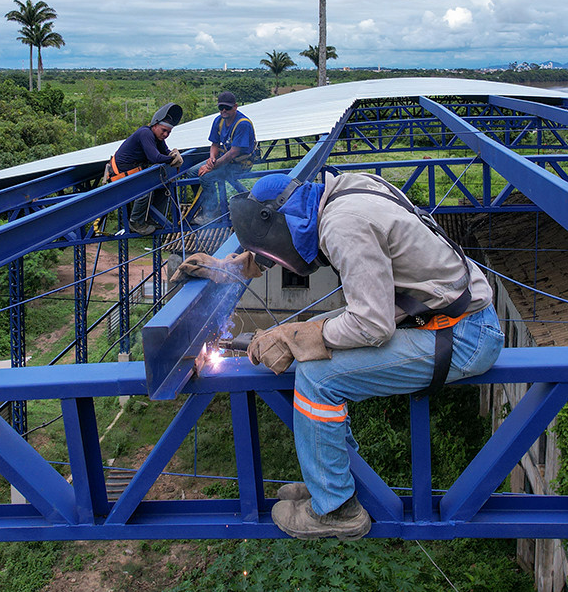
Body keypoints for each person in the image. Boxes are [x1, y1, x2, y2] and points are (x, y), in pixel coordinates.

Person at [228, 171, 504, 540]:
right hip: (438, 311)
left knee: (317, 378)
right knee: (309, 341)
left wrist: (302, 337)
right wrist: (247, 269)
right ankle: (332, 478)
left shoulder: (343, 226)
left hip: (462, 334)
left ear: (279, 220)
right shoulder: (343, 189)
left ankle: (335, 508)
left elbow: (371, 325)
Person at [106, 103, 183, 235]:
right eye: (163, 130)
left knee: (164, 187)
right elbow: (155, 157)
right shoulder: (145, 134)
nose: (165, 134)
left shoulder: (157, 138)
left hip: (133, 173)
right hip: (120, 175)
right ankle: (136, 222)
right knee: (144, 191)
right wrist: (171, 159)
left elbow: (165, 152)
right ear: (155, 125)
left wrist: (172, 154)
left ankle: (153, 219)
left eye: (168, 132)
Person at [193, 91, 256, 225]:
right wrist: (212, 158)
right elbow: (214, 144)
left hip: (240, 165)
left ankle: (213, 211)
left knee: (206, 177)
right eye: (221, 107)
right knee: (192, 172)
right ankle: (205, 205)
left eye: (227, 107)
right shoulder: (219, 120)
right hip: (224, 160)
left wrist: (212, 166)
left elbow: (233, 152)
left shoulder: (242, 124)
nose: (224, 110)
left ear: (235, 107)